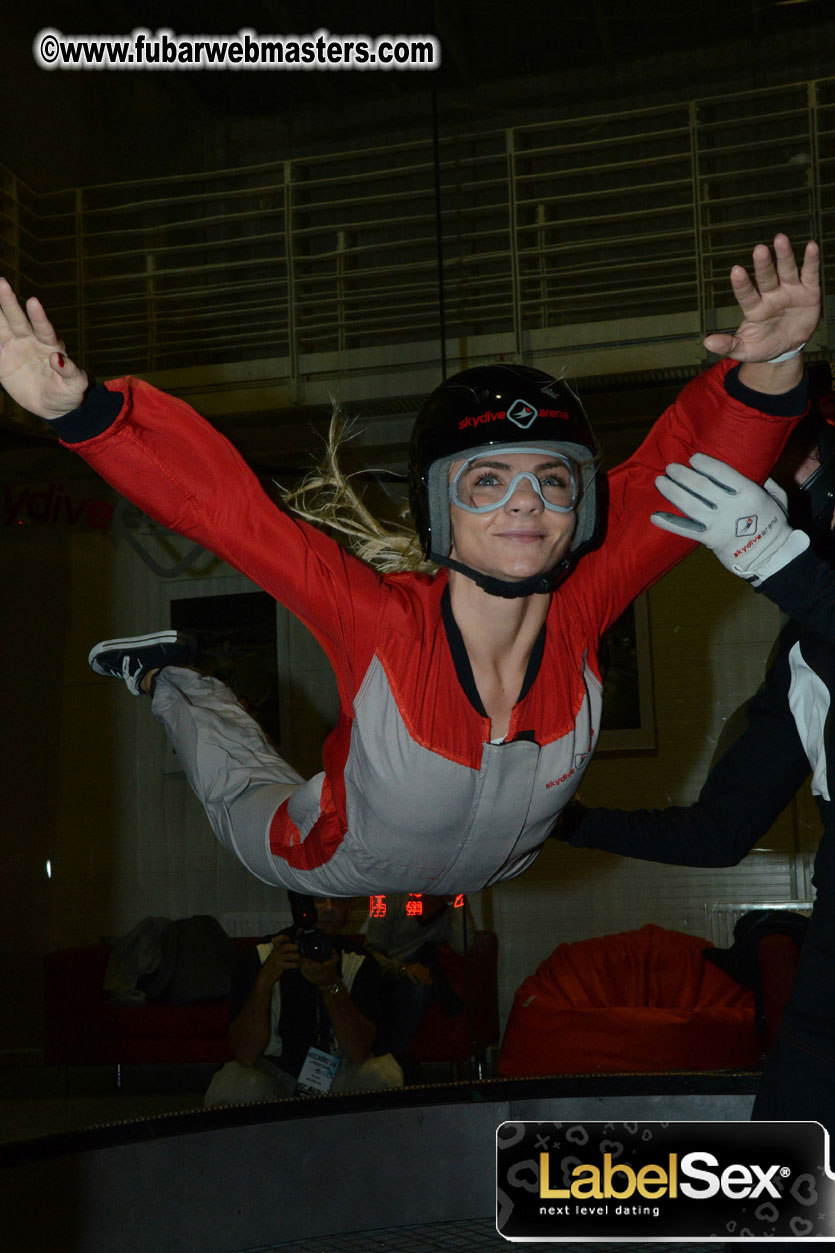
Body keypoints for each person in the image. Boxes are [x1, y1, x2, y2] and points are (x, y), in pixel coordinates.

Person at [0, 235, 821, 897]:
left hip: (500, 866)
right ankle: (169, 677)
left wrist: (772, 365)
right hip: (332, 859)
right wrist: (88, 413)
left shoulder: (582, 606)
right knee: (235, 782)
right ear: (439, 512)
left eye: (552, 480)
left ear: (579, 510)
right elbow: (227, 511)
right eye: (487, 482)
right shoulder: (382, 625)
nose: (526, 503)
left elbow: (679, 475)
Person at [556, 367, 835, 1143]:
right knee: (785, 1161)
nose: (790, 479)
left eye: (806, 458)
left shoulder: (805, 594)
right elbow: (719, 832)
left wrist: (780, 562)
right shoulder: (802, 652)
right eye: (780, 464)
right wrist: (566, 823)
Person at [204, 892, 402, 1106]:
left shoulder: (359, 962)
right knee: (232, 1085)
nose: (328, 908)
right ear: (301, 906)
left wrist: (331, 985)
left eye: (337, 900)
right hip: (274, 1072)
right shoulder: (264, 956)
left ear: (350, 907)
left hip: (337, 1070)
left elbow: (359, 1051)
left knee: (382, 1075)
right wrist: (265, 981)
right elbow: (245, 1055)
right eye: (318, 899)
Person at [363, 894, 465, 1061]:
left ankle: (392, 1061)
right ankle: (387, 1060)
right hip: (386, 975)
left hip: (424, 976)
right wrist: (403, 968)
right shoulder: (393, 900)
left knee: (419, 989)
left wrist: (459, 902)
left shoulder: (449, 910)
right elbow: (370, 952)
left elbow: (464, 947)